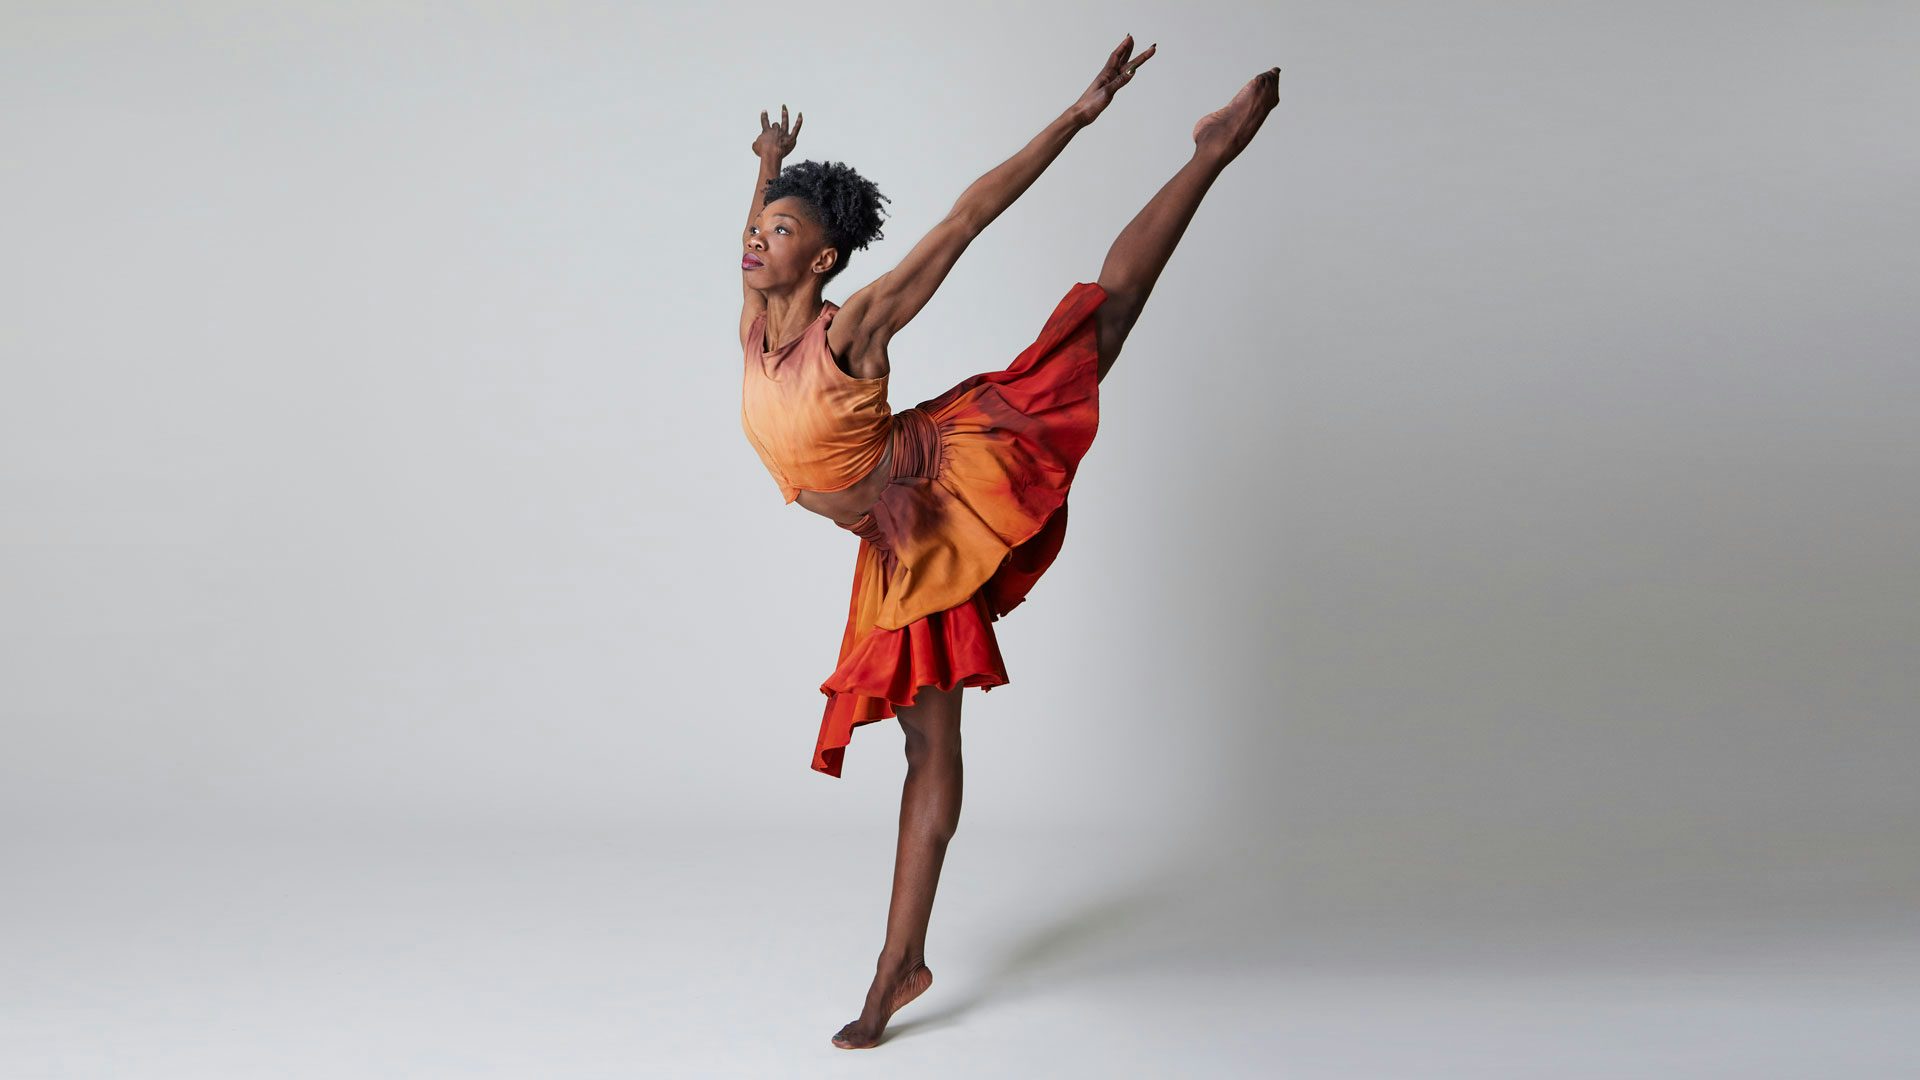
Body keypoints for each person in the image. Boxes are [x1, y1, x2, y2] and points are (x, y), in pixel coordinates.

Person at [737, 35, 1281, 1050]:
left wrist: (1078, 116)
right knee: (920, 741)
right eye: (756, 229)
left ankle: (1209, 153)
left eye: (779, 232)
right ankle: (902, 958)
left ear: (824, 261)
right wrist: (769, 168)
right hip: (891, 539)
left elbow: (969, 217)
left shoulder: (852, 327)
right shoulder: (756, 317)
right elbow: (757, 231)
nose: (754, 241)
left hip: (935, 494)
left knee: (1092, 336)